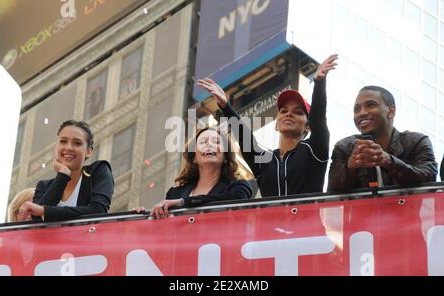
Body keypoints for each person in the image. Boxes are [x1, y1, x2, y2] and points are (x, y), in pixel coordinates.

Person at [196, 54, 338, 197]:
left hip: (308, 220)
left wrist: (319, 83)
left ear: (309, 126)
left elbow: (319, 119)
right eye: (283, 111)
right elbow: (246, 139)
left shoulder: (314, 149)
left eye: (298, 112)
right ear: (276, 124)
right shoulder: (264, 160)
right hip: (270, 220)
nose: (289, 114)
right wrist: (225, 106)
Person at [328, 86, 438, 191]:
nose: (362, 113)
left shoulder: (417, 142)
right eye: (357, 109)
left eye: (370, 105)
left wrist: (388, 161)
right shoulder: (343, 147)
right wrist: (350, 167)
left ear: (391, 111)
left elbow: (430, 179)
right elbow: (331, 193)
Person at [135, 126, 252, 219]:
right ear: (194, 158)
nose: (209, 144)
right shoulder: (174, 194)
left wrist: (183, 202)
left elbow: (234, 202)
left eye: (216, 142)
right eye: (202, 142)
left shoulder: (238, 187)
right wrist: (142, 217)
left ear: (226, 157)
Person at [20, 120, 114, 222]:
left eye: (77, 143)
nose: (69, 147)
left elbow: (98, 211)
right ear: (56, 147)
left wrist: (45, 211)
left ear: (88, 152)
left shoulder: (98, 171)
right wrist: (63, 175)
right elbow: (37, 218)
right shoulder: (43, 186)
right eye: (63, 141)